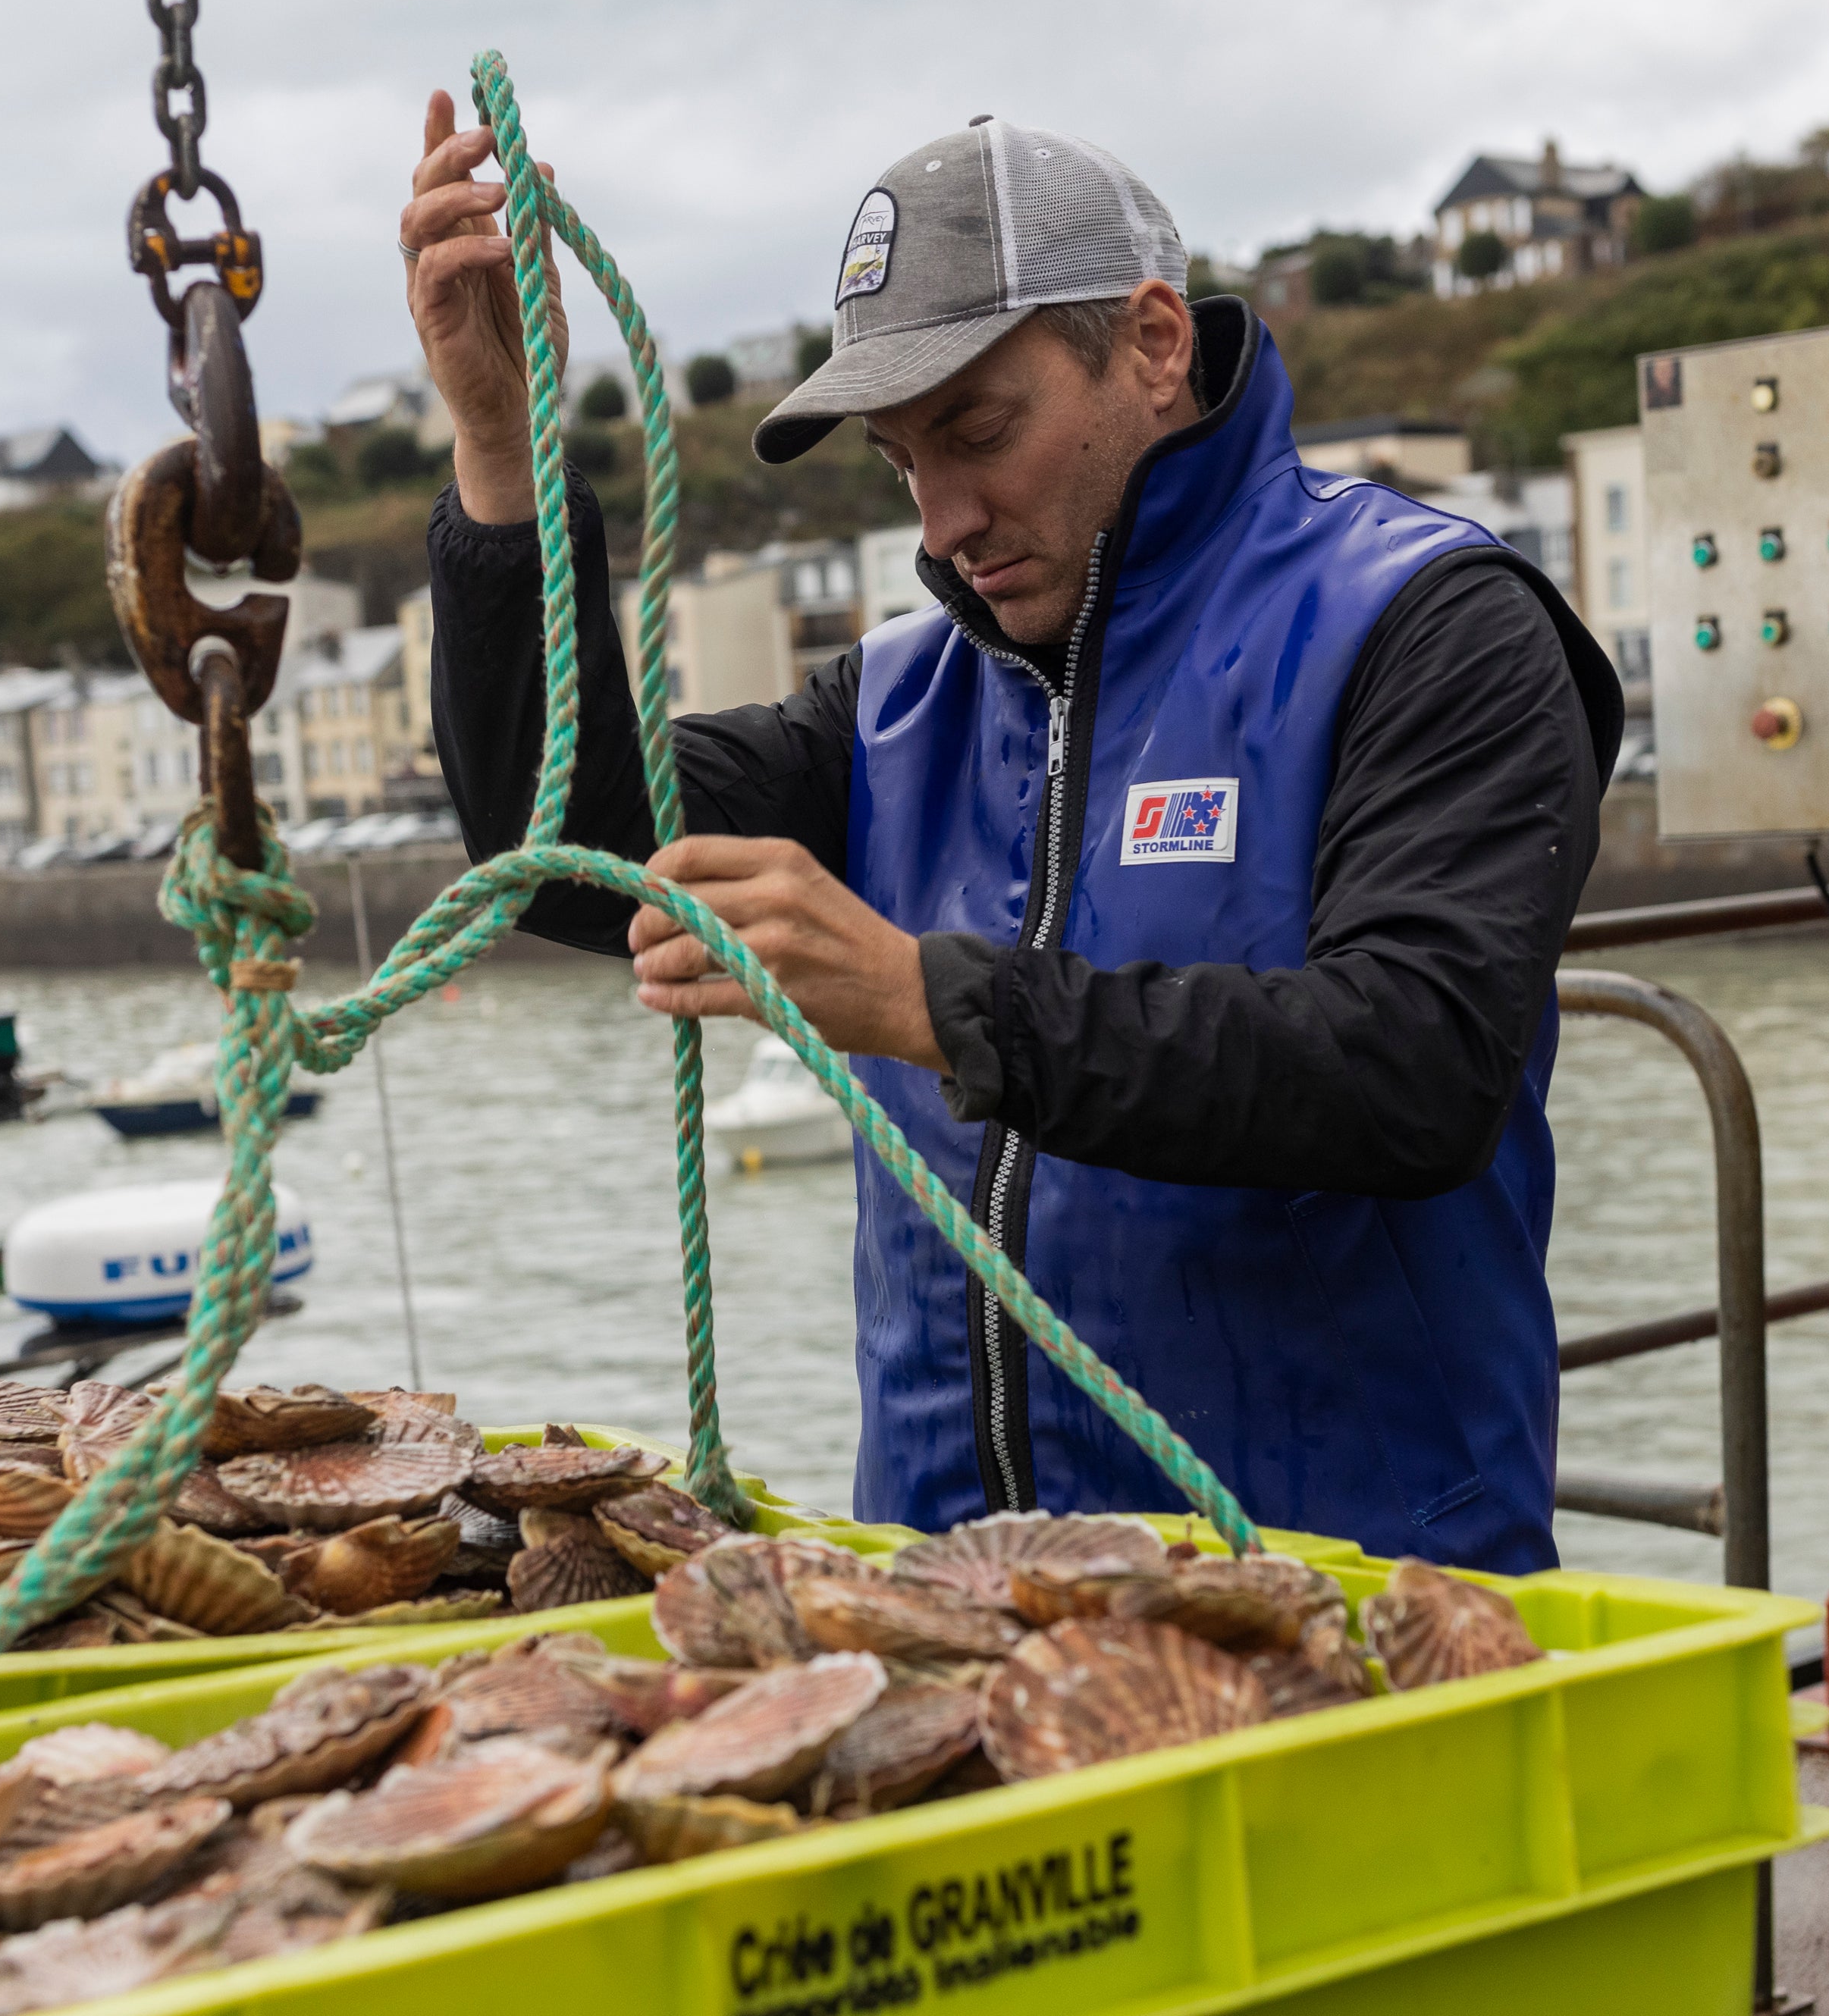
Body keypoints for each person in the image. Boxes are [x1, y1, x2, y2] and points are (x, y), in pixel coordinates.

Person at [403, 96, 1616, 1569]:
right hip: (957, 1594)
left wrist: (933, 1004)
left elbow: (1412, 1065)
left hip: (1347, 1586)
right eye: (904, 460)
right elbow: (570, 846)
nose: (944, 517)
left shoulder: (1427, 623)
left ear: (1155, 345)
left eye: (981, 430)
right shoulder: (897, 700)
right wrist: (495, 443)